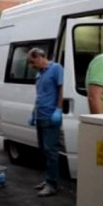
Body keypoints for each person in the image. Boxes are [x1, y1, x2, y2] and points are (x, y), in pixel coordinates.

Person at [27, 48, 63, 197]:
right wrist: (33, 113)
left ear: (40, 57)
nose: (31, 65)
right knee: (43, 150)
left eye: (32, 61)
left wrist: (58, 110)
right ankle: (47, 179)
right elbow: (39, 96)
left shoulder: (56, 69)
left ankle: (52, 184)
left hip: (50, 116)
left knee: (51, 150)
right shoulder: (39, 74)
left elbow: (61, 89)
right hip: (40, 116)